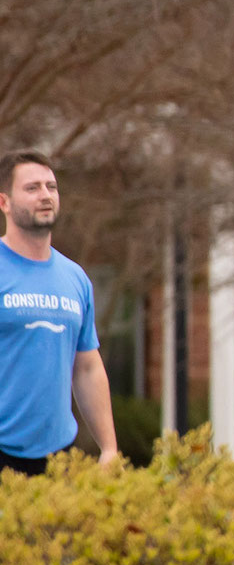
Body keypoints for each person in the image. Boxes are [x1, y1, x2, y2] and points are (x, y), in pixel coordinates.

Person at [0, 151, 116, 475]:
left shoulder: (75, 278)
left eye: (51, 186)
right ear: (4, 202)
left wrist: (109, 448)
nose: (46, 195)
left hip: (58, 457)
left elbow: (87, 368)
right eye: (33, 188)